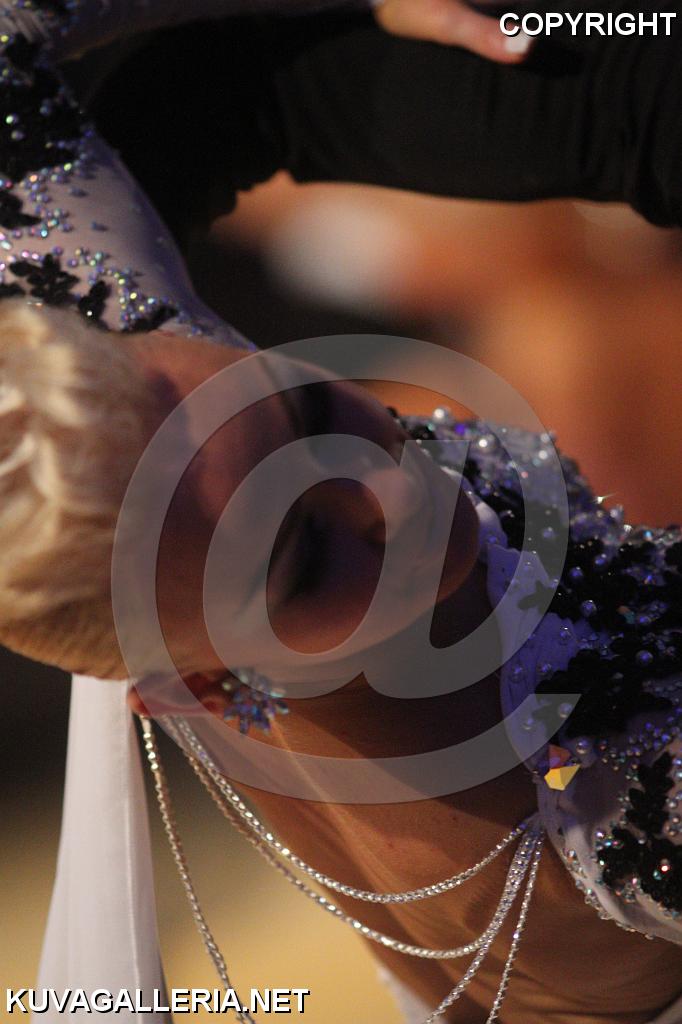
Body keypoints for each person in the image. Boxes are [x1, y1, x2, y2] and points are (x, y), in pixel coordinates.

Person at [1, 3, 682, 1023]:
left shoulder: (160, 470)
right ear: (189, 689)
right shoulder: (618, 775)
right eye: (307, 555)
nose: (393, 491)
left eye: (312, 411)